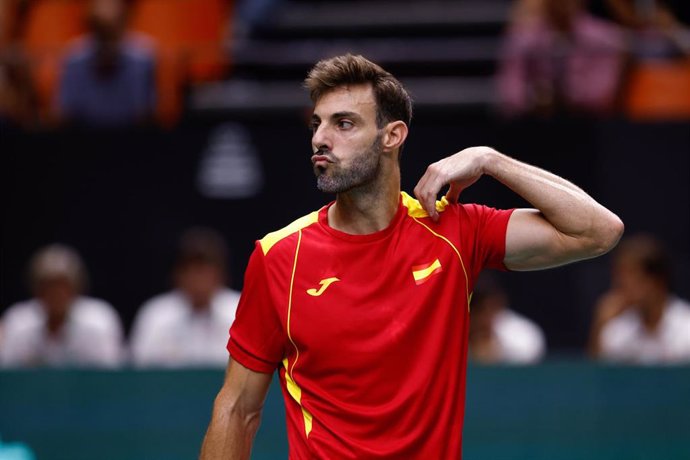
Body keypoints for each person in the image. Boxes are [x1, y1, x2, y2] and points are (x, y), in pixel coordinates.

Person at [200, 54, 624, 458]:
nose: (320, 139)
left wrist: (490, 160)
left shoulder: (455, 231)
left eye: (343, 123)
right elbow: (237, 409)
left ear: (393, 136)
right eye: (317, 124)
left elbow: (597, 230)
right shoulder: (279, 257)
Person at [129, 227, 240, 367]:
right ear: (178, 275)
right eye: (191, 271)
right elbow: (139, 372)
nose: (199, 280)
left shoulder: (241, 311)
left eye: (204, 271)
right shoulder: (155, 316)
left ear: (221, 274)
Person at [497, 0, 628, 117]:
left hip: (591, 127)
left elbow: (602, 96)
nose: (562, 3)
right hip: (534, 124)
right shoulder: (524, 39)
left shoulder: (605, 39)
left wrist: (562, 97)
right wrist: (532, 98)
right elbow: (509, 91)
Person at [0, 244, 124, 367]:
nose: (56, 294)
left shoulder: (99, 322)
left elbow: (111, 377)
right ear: (36, 291)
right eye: (47, 287)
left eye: (63, 287)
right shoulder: (17, 324)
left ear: (76, 288)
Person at [589, 234, 690, 363]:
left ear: (656, 281)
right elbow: (599, 377)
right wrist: (600, 324)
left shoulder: (687, 328)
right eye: (620, 277)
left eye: (631, 276)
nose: (621, 284)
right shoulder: (619, 331)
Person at [56, 0, 156, 126]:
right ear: (91, 29)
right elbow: (66, 117)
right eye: (100, 33)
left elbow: (145, 117)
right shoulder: (73, 60)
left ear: (123, 25)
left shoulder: (143, 59)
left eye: (111, 33)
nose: (106, 43)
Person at [468, 273, 546, 364]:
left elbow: (530, 352)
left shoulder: (521, 333)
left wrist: (495, 352)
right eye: (474, 306)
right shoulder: (452, 327)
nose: (481, 317)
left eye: (483, 306)